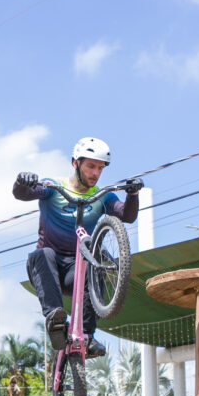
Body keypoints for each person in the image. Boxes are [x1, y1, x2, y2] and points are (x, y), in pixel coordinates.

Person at [14, 137, 143, 357]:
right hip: (47, 269)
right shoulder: (54, 187)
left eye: (100, 168)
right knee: (42, 253)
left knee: (94, 263)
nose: (95, 173)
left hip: (75, 271)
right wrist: (22, 181)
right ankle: (55, 321)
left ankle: (87, 337)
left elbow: (127, 216)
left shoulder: (102, 197)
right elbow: (23, 194)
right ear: (75, 163)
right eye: (90, 166)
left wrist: (133, 194)